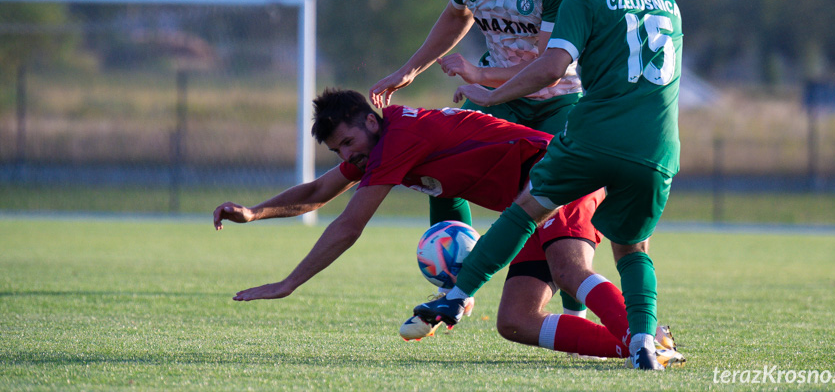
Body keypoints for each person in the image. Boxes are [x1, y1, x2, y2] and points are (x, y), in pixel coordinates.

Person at [214, 89, 683, 364]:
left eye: (348, 142)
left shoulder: (399, 138)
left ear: (372, 122)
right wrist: (255, 213)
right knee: (515, 323)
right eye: (338, 151)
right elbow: (319, 192)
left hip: (555, 173)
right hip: (523, 205)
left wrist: (289, 282)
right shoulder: (378, 147)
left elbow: (348, 226)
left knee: (569, 270)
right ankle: (638, 345)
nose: (346, 157)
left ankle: (643, 338)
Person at [413, 0, 683, 371]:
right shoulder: (667, 1)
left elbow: (551, 68)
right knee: (633, 249)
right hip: (657, 148)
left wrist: (489, 93)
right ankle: (642, 340)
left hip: (593, 136)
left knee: (526, 209)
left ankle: (457, 297)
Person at [369, 0, 586, 315]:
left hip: (557, 97)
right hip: (497, 97)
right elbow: (455, 16)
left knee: (551, 190)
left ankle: (573, 300)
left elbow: (547, 61)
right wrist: (408, 70)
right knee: (441, 165)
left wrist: (479, 74)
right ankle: (455, 287)